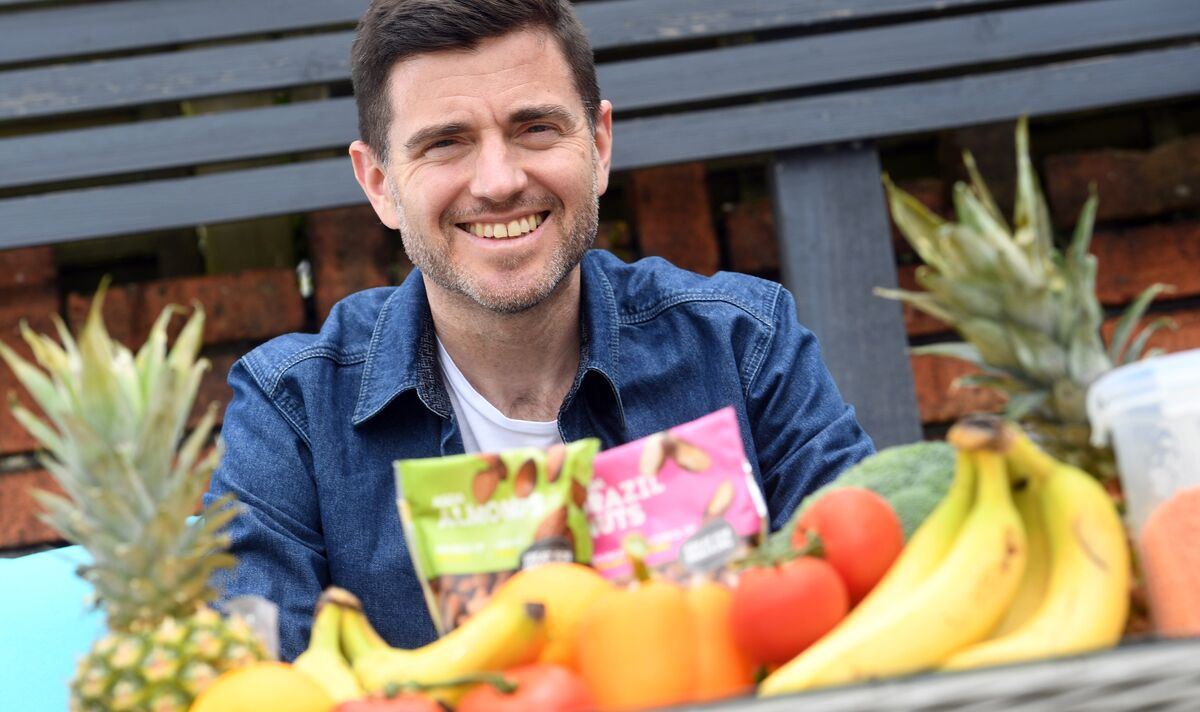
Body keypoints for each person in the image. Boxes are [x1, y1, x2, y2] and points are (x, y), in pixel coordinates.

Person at [206, 0, 874, 661]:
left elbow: (879, 592)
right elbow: (252, 678)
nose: (499, 182)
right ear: (379, 182)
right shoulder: (294, 413)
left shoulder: (743, 346)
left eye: (535, 129)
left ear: (599, 145)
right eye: (446, 143)